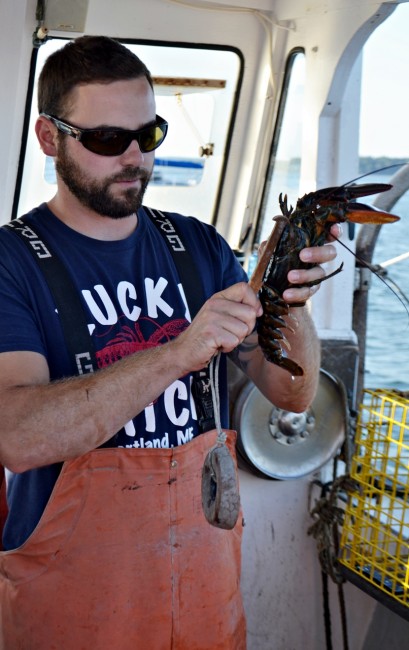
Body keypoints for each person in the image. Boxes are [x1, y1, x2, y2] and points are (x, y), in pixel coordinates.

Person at [0, 35, 338, 650]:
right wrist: (181, 351)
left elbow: (293, 392)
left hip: (206, 596)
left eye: (147, 135)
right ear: (50, 139)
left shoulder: (200, 247)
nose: (133, 158)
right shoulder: (11, 262)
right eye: (106, 140)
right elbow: (18, 438)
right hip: (74, 610)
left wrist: (290, 302)